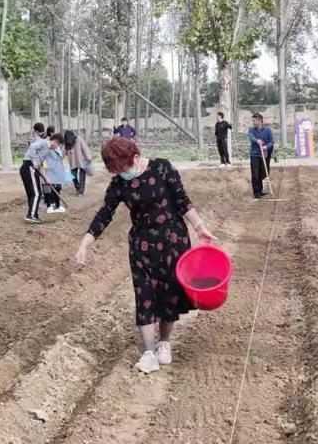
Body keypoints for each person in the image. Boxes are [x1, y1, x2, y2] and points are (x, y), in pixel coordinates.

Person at [76, 138, 215, 373]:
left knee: (170, 295)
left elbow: (182, 201)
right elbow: (104, 214)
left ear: (136, 158)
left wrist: (200, 227)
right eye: (117, 171)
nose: (123, 173)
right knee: (145, 296)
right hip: (141, 245)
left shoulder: (162, 168)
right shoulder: (119, 184)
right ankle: (149, 351)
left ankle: (164, 344)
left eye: (124, 168)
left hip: (173, 241)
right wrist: (85, 243)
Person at [19, 123, 50, 223]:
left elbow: (39, 164)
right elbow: (32, 149)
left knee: (32, 193)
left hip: (27, 167)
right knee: (37, 193)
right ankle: (31, 215)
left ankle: (33, 214)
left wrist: (45, 177)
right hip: (29, 167)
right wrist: (34, 162)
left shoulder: (39, 141)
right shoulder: (44, 142)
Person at [248, 112, 274, 199]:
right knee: (255, 173)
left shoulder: (268, 130)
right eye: (253, 120)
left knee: (262, 173)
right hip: (254, 154)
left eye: (254, 120)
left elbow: (271, 141)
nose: (253, 122)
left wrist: (266, 146)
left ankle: (261, 190)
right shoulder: (251, 130)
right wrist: (256, 140)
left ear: (260, 121)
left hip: (265, 154)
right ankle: (256, 193)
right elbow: (251, 138)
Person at [41, 133, 67, 214]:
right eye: (58, 143)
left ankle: (58, 206)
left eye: (59, 144)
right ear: (54, 141)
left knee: (57, 189)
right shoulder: (47, 148)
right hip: (48, 172)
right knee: (48, 190)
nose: (58, 145)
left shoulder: (58, 149)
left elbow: (60, 158)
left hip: (57, 174)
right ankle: (49, 206)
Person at [64, 130, 92, 196]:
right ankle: (81, 191)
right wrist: (88, 158)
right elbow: (85, 148)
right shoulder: (79, 139)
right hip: (82, 161)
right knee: (82, 177)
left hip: (73, 162)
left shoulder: (67, 142)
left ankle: (78, 189)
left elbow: (63, 152)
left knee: (73, 176)